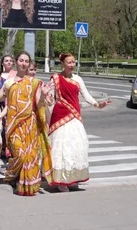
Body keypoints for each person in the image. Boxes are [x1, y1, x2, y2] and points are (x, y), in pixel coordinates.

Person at [47, 53, 110, 192]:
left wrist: (98, 105)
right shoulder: (56, 78)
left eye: (73, 62)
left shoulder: (78, 79)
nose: (71, 65)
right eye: (69, 62)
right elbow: (49, 96)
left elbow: (86, 95)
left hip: (74, 116)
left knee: (77, 145)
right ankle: (61, 180)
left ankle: (72, 178)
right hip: (61, 115)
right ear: (62, 64)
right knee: (62, 147)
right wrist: (48, 98)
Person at [0, 51, 53, 196]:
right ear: (16, 62)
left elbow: (39, 103)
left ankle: (23, 183)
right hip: (13, 125)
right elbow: (1, 97)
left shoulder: (34, 83)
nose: (24, 63)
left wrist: (43, 95)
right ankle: (11, 173)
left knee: (29, 156)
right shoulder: (10, 82)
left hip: (30, 124)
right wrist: (4, 92)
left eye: (26, 61)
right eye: (21, 60)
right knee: (20, 154)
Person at [0, 55, 16, 159]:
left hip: (11, 103)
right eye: (6, 61)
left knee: (9, 126)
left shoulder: (15, 75)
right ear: (2, 63)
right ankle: (2, 148)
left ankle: (10, 152)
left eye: (10, 61)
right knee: (1, 127)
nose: (9, 62)